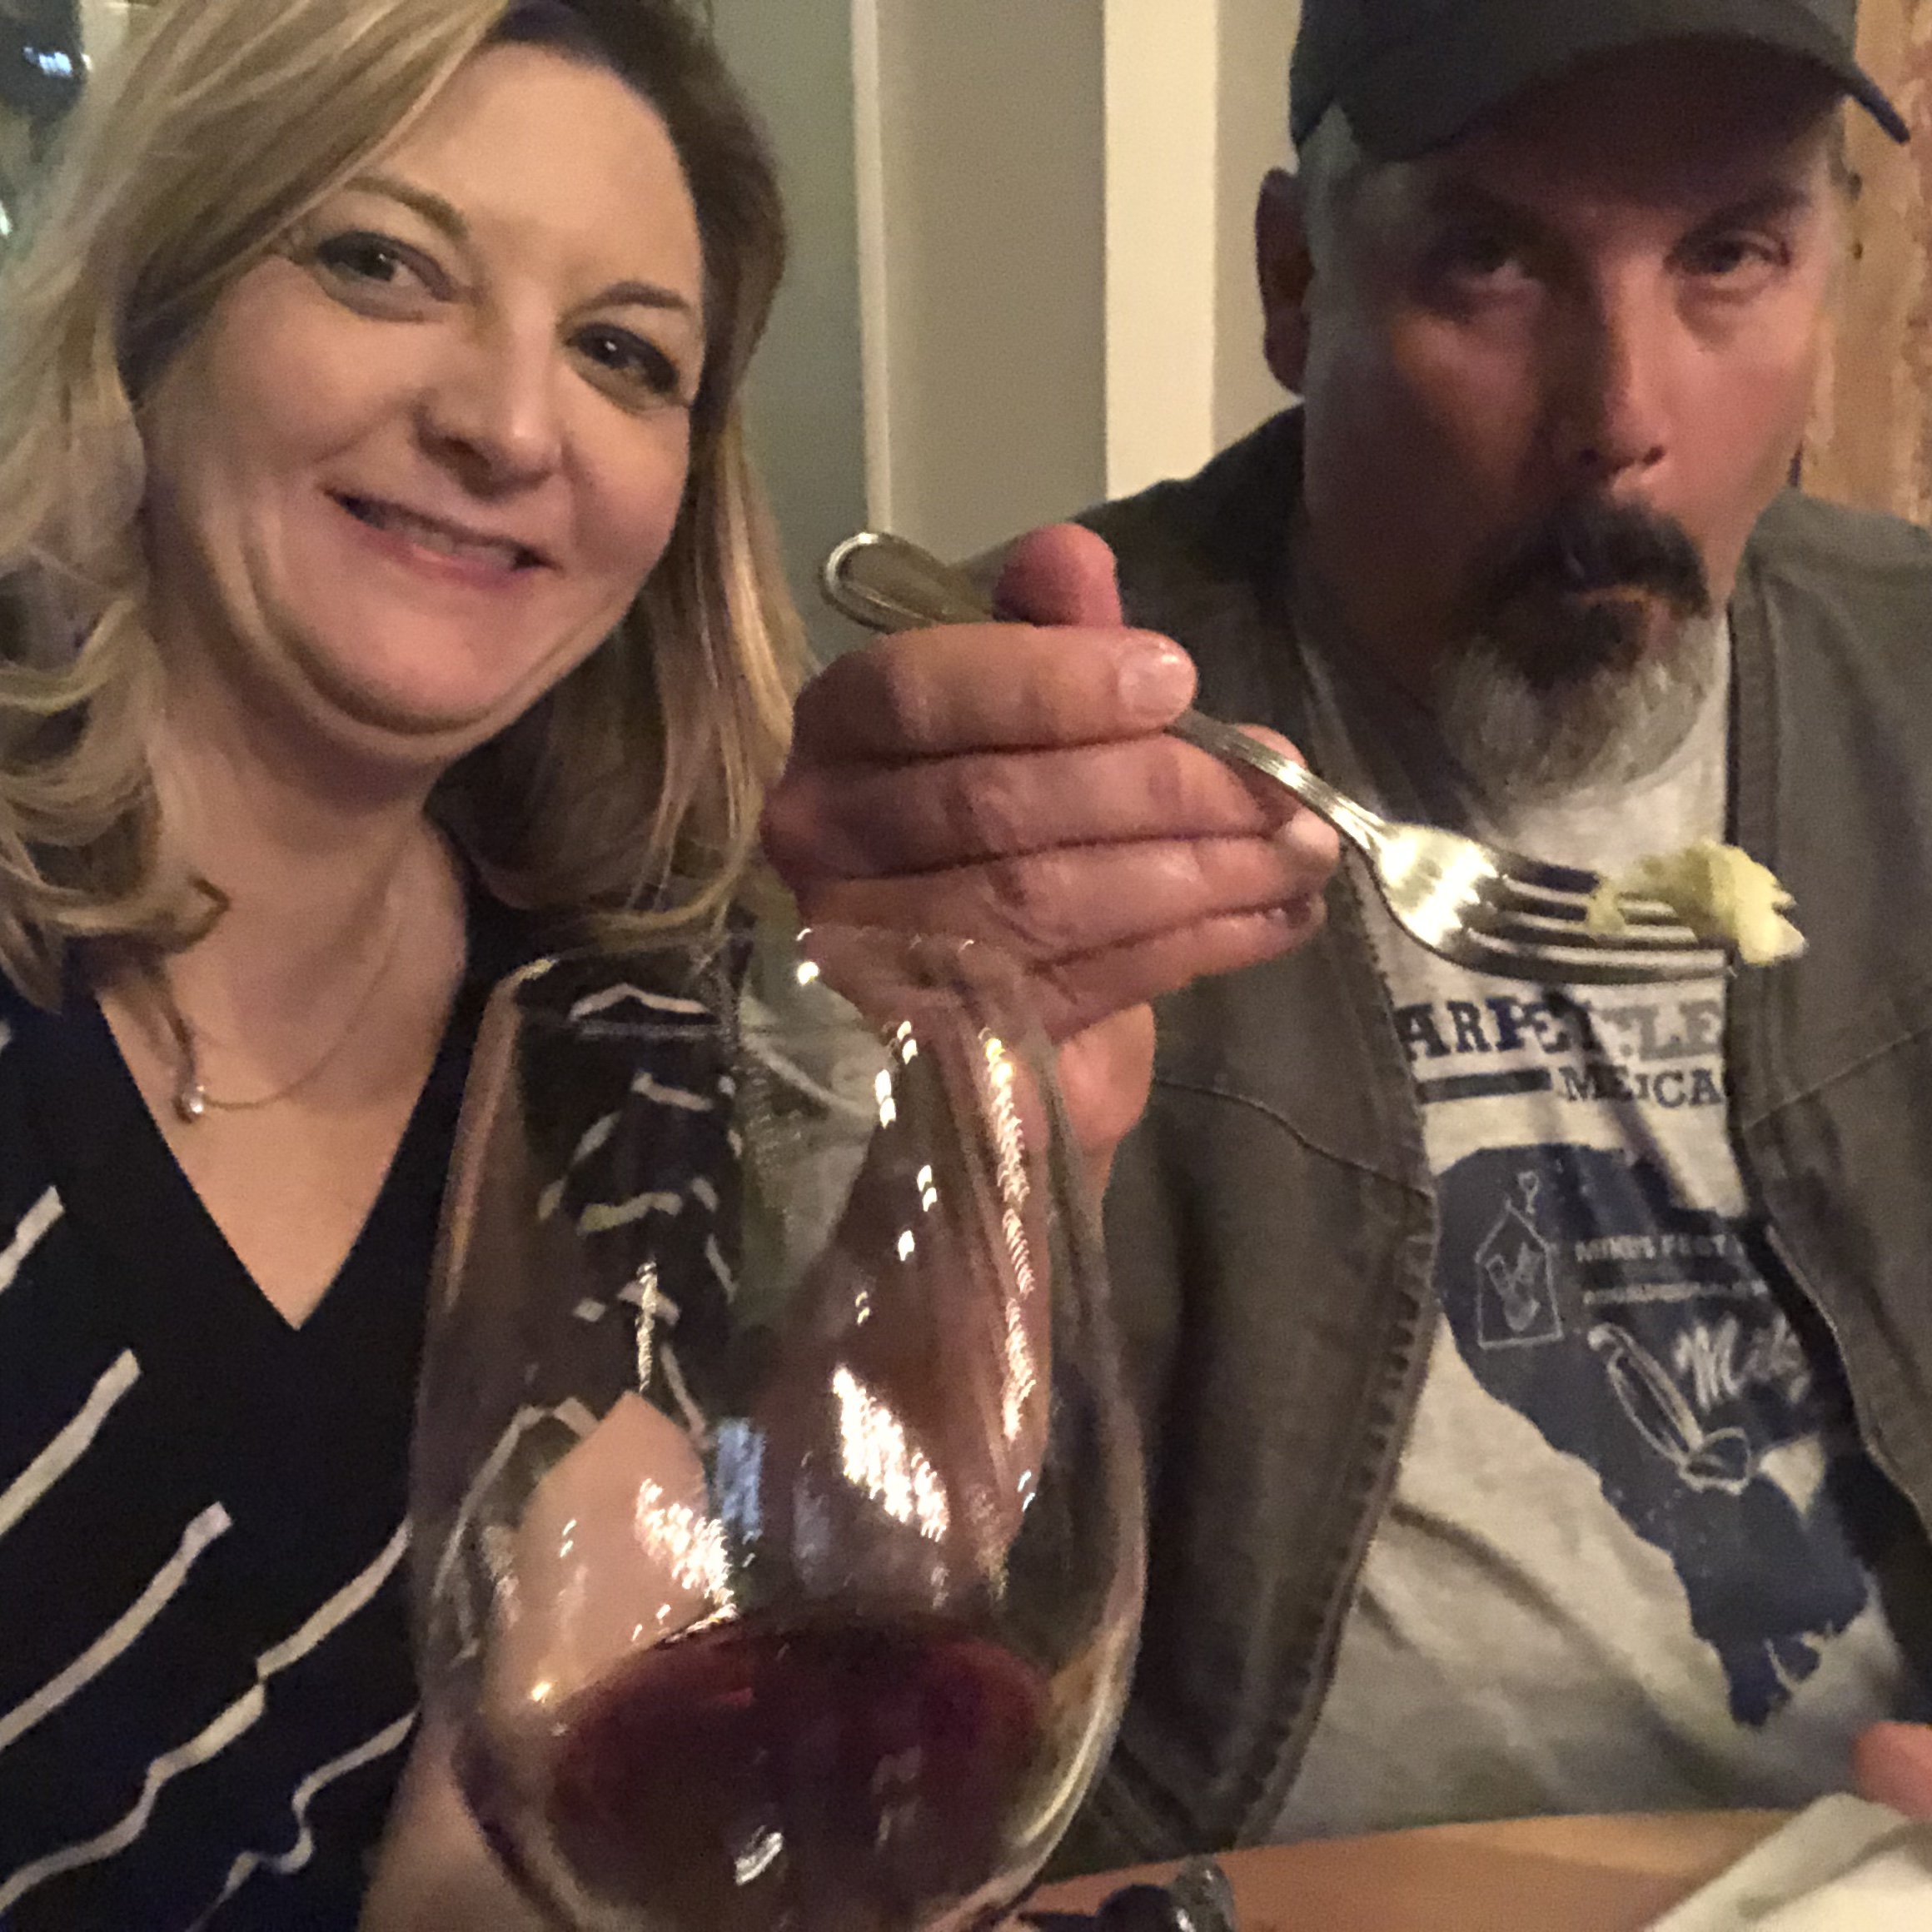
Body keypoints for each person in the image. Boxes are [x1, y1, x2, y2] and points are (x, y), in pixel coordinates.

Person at [765, 0, 1932, 1876]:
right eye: (1490, 259)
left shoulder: (1909, 683)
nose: (1622, 418)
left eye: (1728, 255)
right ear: (1296, 284)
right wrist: (942, 1145)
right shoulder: (1033, 756)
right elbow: (826, 1583)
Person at [0, 0, 804, 1923]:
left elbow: (520, 1844)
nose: (509, 426)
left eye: (620, 353)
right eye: (379, 263)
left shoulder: (619, 1032)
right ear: (150, 306)